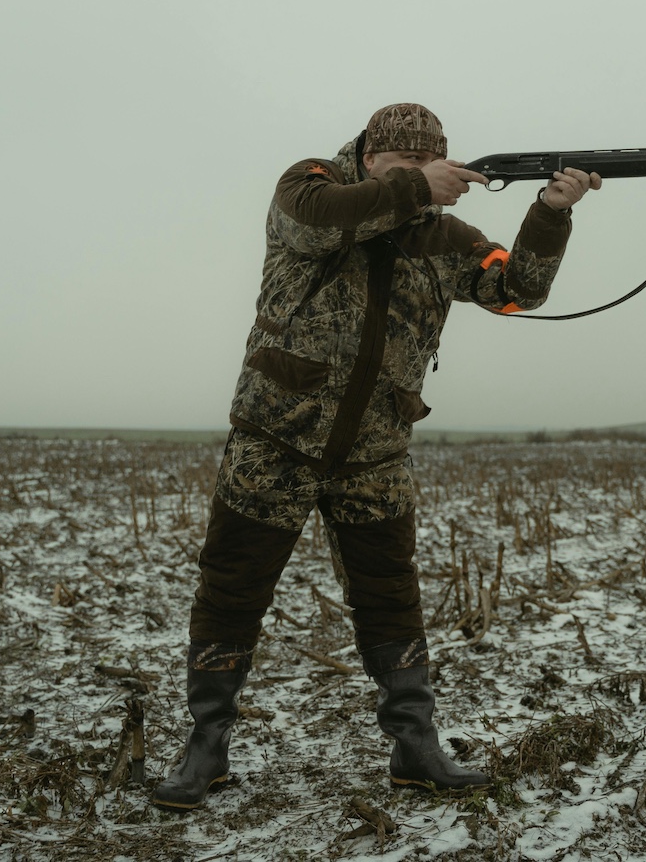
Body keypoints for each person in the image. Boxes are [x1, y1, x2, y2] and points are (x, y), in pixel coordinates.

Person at [153, 103, 601, 809]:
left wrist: (551, 212)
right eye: (402, 169)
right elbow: (323, 222)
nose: (416, 181)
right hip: (276, 441)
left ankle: (415, 747)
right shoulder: (307, 188)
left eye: (428, 168)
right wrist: (420, 188)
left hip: (377, 453)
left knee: (391, 597)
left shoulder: (445, 235)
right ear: (369, 159)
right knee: (232, 590)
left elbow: (520, 290)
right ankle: (206, 745)